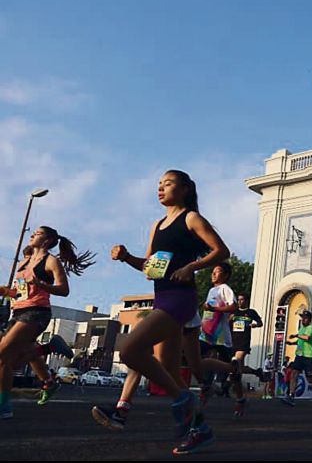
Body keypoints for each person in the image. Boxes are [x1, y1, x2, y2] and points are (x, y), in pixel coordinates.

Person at [112, 170, 229, 454]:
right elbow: (152, 269)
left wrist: (191, 267)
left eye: (168, 184)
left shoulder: (191, 218)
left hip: (181, 299)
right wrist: (127, 257)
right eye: (159, 185)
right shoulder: (158, 225)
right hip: (161, 297)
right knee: (168, 370)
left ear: (186, 189)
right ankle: (200, 430)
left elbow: (221, 251)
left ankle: (183, 401)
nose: (161, 188)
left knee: (129, 351)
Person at [0, 227, 93, 417]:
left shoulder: (51, 261)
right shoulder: (25, 262)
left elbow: (64, 289)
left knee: (3, 354)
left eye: (38, 233)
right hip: (17, 312)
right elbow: (19, 292)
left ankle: (4, 406)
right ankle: (48, 352)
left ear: (47, 240)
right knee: (7, 361)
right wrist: (6, 292)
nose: (33, 234)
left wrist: (42, 284)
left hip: (36, 313)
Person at [199, 262, 247, 416]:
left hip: (221, 338)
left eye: (217, 271)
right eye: (212, 271)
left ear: (225, 275)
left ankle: (240, 399)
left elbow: (233, 307)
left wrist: (214, 309)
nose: (213, 274)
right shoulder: (212, 290)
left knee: (232, 371)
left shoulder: (225, 289)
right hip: (206, 335)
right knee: (198, 361)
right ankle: (201, 402)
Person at [281, 310, 312, 406]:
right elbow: (300, 341)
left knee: (309, 379)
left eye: (305, 318)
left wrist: (296, 335)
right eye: (302, 318)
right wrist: (292, 343)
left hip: (309, 356)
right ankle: (291, 395)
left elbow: (307, 338)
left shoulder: (311, 328)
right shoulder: (301, 328)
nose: (303, 320)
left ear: (309, 319)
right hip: (299, 355)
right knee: (294, 374)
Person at [229, 292, 263, 413]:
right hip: (233, 342)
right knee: (240, 368)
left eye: (242, 300)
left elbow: (260, 323)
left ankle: (237, 395)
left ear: (246, 301)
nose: (240, 302)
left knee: (236, 362)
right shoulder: (234, 312)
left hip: (243, 342)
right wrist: (230, 319)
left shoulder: (251, 312)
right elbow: (227, 324)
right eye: (238, 300)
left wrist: (254, 325)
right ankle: (256, 371)